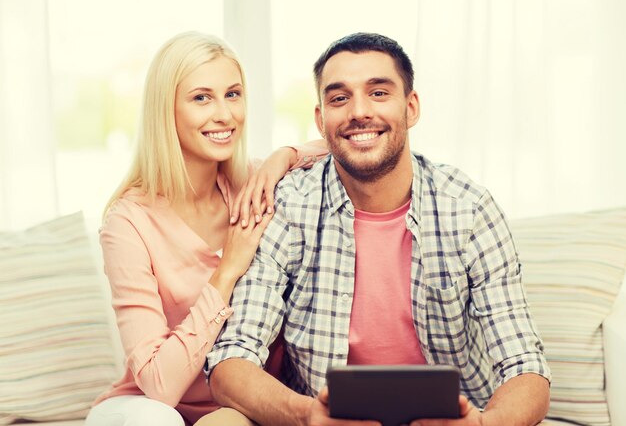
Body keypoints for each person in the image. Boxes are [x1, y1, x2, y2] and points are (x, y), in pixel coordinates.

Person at [201, 32, 551, 426]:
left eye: (379, 93)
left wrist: (485, 424)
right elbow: (232, 357)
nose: (358, 111)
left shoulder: (468, 209)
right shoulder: (288, 206)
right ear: (320, 119)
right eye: (339, 98)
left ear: (411, 107)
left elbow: (525, 365)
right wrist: (307, 416)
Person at [85, 32, 326, 426]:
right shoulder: (127, 222)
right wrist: (228, 269)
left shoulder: (253, 184)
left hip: (235, 406)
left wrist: (284, 155)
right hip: (148, 407)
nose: (225, 115)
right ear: (166, 110)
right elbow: (159, 385)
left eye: (233, 94)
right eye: (201, 98)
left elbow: (348, 142)